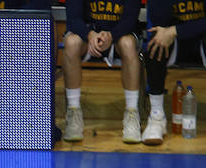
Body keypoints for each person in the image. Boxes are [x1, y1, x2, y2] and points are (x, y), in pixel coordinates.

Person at [62, 0, 143, 143]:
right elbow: (73, 19)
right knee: (71, 43)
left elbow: (130, 20)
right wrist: (90, 35)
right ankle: (73, 112)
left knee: (128, 44)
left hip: (120, 34)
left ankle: (132, 113)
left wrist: (112, 35)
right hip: (88, 35)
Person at [141, 0, 206, 144]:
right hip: (174, 40)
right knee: (155, 43)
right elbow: (160, 22)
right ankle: (157, 116)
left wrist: (176, 30)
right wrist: (172, 32)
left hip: (198, 37)